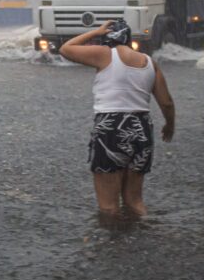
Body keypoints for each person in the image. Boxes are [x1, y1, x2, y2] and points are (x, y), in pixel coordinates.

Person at [59, 19, 175, 217]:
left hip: (111, 129)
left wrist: (95, 32)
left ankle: (112, 246)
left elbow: (66, 48)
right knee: (135, 201)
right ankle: (143, 240)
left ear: (106, 40)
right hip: (142, 128)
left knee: (109, 207)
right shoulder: (148, 62)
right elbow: (166, 102)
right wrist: (169, 125)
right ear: (129, 40)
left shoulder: (104, 54)